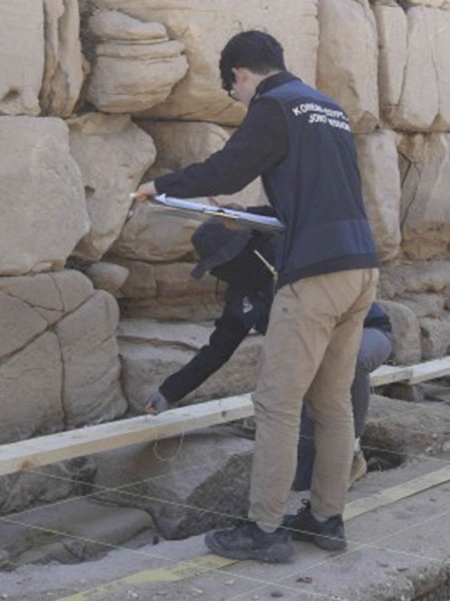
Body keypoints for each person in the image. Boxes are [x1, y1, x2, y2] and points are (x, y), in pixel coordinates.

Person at [134, 30, 380, 562]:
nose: (239, 100)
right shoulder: (327, 107)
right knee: (332, 402)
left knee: (277, 402)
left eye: (234, 91)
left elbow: (229, 167)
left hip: (313, 272)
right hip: (360, 265)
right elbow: (319, 192)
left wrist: (164, 186)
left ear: (242, 75)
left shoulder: (274, 106)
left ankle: (265, 531)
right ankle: (326, 519)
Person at [145, 222, 394, 492]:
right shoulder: (241, 300)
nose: (220, 273)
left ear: (242, 253)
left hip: (369, 332)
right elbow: (216, 352)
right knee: (302, 480)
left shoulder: (295, 260)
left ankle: (352, 454)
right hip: (313, 365)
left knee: (343, 363)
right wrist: (169, 391)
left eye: (222, 264)